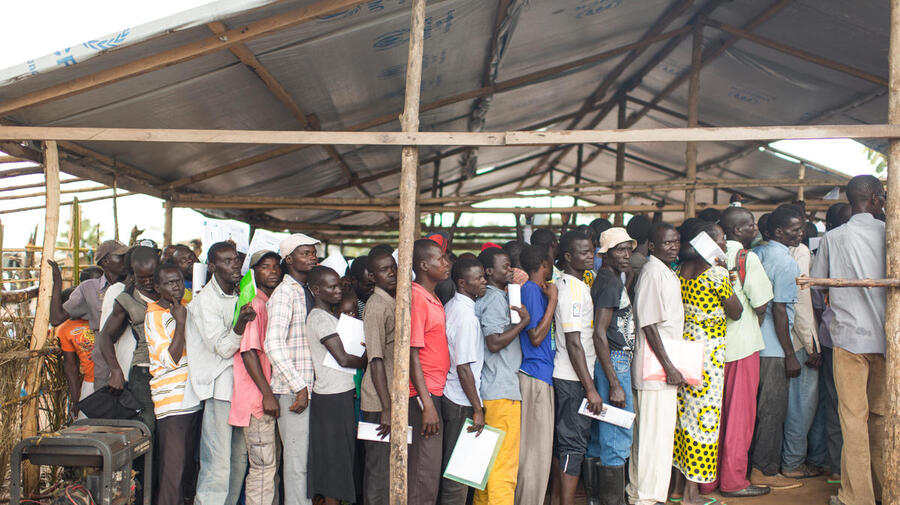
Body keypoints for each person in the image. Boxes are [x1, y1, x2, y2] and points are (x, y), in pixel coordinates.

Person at [810, 175, 887, 505]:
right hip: (888, 340)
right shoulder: (890, 234)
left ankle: (858, 497)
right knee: (882, 417)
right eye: (882, 197)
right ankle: (888, 489)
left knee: (853, 419)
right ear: (874, 199)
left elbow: (818, 284)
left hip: (848, 338)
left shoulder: (833, 237)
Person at [698, 206, 773, 498]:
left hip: (710, 350)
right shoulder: (746, 258)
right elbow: (761, 304)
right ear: (738, 230)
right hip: (742, 347)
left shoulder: (703, 254)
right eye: (750, 224)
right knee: (739, 418)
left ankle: (706, 481)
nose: (755, 228)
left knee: (711, 416)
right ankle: (733, 480)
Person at [672, 221, 742, 505]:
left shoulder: (680, 270)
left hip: (685, 349)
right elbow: (736, 311)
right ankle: (691, 495)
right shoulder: (716, 274)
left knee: (684, 420)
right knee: (704, 422)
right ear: (707, 242)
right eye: (721, 239)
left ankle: (677, 488)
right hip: (709, 357)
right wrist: (728, 272)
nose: (724, 243)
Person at [186, 241, 255, 505]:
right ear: (213, 267)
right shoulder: (205, 301)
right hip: (220, 388)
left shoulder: (239, 292)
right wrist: (240, 324)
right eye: (227, 261)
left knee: (238, 459)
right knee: (217, 461)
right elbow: (224, 349)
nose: (235, 264)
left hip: (240, 386)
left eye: (236, 259)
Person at [627, 223, 686, 505]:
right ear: (651, 245)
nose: (673, 247)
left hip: (659, 365)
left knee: (649, 436)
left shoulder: (663, 270)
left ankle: (638, 493)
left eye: (676, 241)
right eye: (667, 243)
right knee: (655, 437)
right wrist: (669, 367)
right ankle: (647, 498)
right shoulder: (652, 273)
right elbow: (648, 324)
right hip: (656, 367)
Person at [750, 204, 805, 489]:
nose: (800, 234)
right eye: (795, 230)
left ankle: (750, 466)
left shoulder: (757, 253)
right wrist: (790, 354)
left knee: (754, 412)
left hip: (753, 344)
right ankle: (765, 471)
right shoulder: (786, 262)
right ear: (779, 232)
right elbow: (780, 310)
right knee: (772, 411)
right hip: (774, 347)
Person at [265, 233, 320, 505]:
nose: (312, 258)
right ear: (288, 259)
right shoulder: (284, 293)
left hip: (307, 389)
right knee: (297, 466)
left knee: (306, 464)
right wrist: (299, 387)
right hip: (293, 391)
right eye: (305, 253)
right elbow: (273, 344)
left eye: (313, 253)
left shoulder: (307, 290)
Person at [304, 266, 367, 504]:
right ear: (316, 290)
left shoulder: (327, 316)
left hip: (337, 393)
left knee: (338, 459)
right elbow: (343, 359)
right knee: (335, 462)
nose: (338, 290)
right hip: (332, 396)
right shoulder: (320, 318)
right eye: (331, 287)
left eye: (338, 285)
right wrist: (367, 358)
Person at [472, 247, 530, 505]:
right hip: (502, 389)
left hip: (490, 389)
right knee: (504, 466)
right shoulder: (495, 300)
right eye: (505, 266)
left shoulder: (488, 298)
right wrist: (522, 324)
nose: (510, 270)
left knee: (487, 462)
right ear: (488, 271)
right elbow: (494, 342)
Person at [584, 228, 637, 504]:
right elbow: (599, 333)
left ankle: (597, 500)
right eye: (620, 250)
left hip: (611, 361)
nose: (626, 255)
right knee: (616, 435)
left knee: (601, 435)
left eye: (629, 249)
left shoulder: (611, 279)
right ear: (605, 254)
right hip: (614, 362)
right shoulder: (609, 283)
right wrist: (615, 383)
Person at [229, 250, 283, 505]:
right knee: (263, 467)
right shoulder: (255, 303)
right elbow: (249, 352)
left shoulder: (267, 301)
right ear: (253, 273)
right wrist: (267, 395)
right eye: (265, 267)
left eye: (276, 266)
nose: (273, 271)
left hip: (260, 397)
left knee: (268, 466)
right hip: (256, 399)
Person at [550, 231, 600, 505]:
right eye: (584, 252)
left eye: (592, 250)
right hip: (573, 379)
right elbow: (574, 342)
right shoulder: (571, 291)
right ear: (568, 256)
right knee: (573, 444)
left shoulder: (573, 284)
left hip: (571, 376)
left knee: (565, 444)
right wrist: (590, 388)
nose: (591, 256)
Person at [145, 263, 201, 505]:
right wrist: (180, 323)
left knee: (187, 469)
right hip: (172, 402)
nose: (176, 286)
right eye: (169, 283)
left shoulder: (185, 306)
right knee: (173, 471)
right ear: (157, 287)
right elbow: (170, 359)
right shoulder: (154, 315)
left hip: (192, 398)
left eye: (178, 281)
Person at [95, 246, 161, 433]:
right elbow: (105, 337)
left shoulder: (169, 289)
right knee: (147, 427)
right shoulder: (126, 299)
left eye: (152, 276)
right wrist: (115, 371)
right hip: (144, 371)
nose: (148, 282)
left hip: (171, 370)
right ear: (132, 274)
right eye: (142, 278)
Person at [807, 203, 851, 483]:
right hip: (874, 337)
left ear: (829, 225)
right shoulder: (883, 236)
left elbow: (816, 293)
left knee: (835, 403)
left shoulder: (829, 243)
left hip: (834, 336)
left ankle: (837, 467)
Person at [439, 257, 487, 505]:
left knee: (456, 468)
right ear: (462, 283)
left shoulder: (452, 306)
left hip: (453, 394)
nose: (484, 281)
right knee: (458, 474)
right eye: (478, 278)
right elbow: (464, 368)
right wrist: (477, 409)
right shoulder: (466, 317)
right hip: (461, 399)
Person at [406, 238, 451, 505]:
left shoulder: (432, 297)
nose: (446, 263)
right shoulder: (417, 298)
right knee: (423, 471)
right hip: (423, 394)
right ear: (423, 265)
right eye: (440, 259)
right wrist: (427, 404)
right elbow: (412, 354)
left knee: (429, 471)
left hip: (434, 390)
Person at [50, 239, 129, 389]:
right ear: (105, 261)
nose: (126, 260)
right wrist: (57, 283)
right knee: (105, 401)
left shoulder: (134, 285)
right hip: (104, 368)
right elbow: (56, 319)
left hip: (131, 362)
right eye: (121, 256)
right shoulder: (88, 289)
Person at [514, 244, 558, 505]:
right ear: (544, 264)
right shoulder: (530, 290)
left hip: (541, 375)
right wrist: (553, 301)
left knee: (539, 451)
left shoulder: (536, 290)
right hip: (534, 375)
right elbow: (535, 336)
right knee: (534, 453)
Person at [783, 214, 823, 479]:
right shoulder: (800, 252)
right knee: (802, 404)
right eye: (795, 228)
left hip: (781, 340)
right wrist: (812, 345)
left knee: (791, 404)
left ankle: (791, 459)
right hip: (799, 339)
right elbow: (801, 301)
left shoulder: (767, 251)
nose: (800, 233)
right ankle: (793, 463)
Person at [360, 248, 398, 505]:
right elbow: (375, 359)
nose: (391, 273)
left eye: (393, 267)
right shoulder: (376, 306)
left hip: (389, 397)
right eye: (384, 270)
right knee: (378, 468)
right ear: (372, 276)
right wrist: (386, 407)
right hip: (378, 400)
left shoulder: (391, 300)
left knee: (388, 466)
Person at [57, 288, 93, 420]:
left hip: (112, 378)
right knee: (87, 423)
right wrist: (76, 399)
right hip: (90, 382)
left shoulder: (98, 317)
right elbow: (71, 366)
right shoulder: (65, 330)